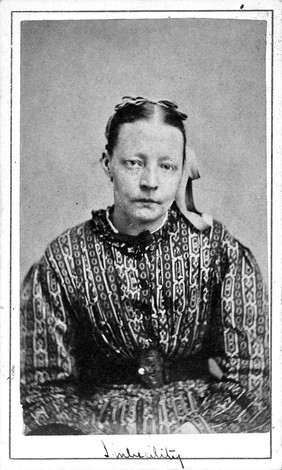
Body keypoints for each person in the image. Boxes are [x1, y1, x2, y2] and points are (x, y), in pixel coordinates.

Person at [20, 96, 269, 435]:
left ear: (182, 170)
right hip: (97, 436)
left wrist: (199, 433)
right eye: (134, 163)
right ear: (108, 163)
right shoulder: (63, 260)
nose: (150, 181)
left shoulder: (218, 249)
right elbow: (42, 385)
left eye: (167, 166)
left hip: (201, 432)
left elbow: (254, 373)